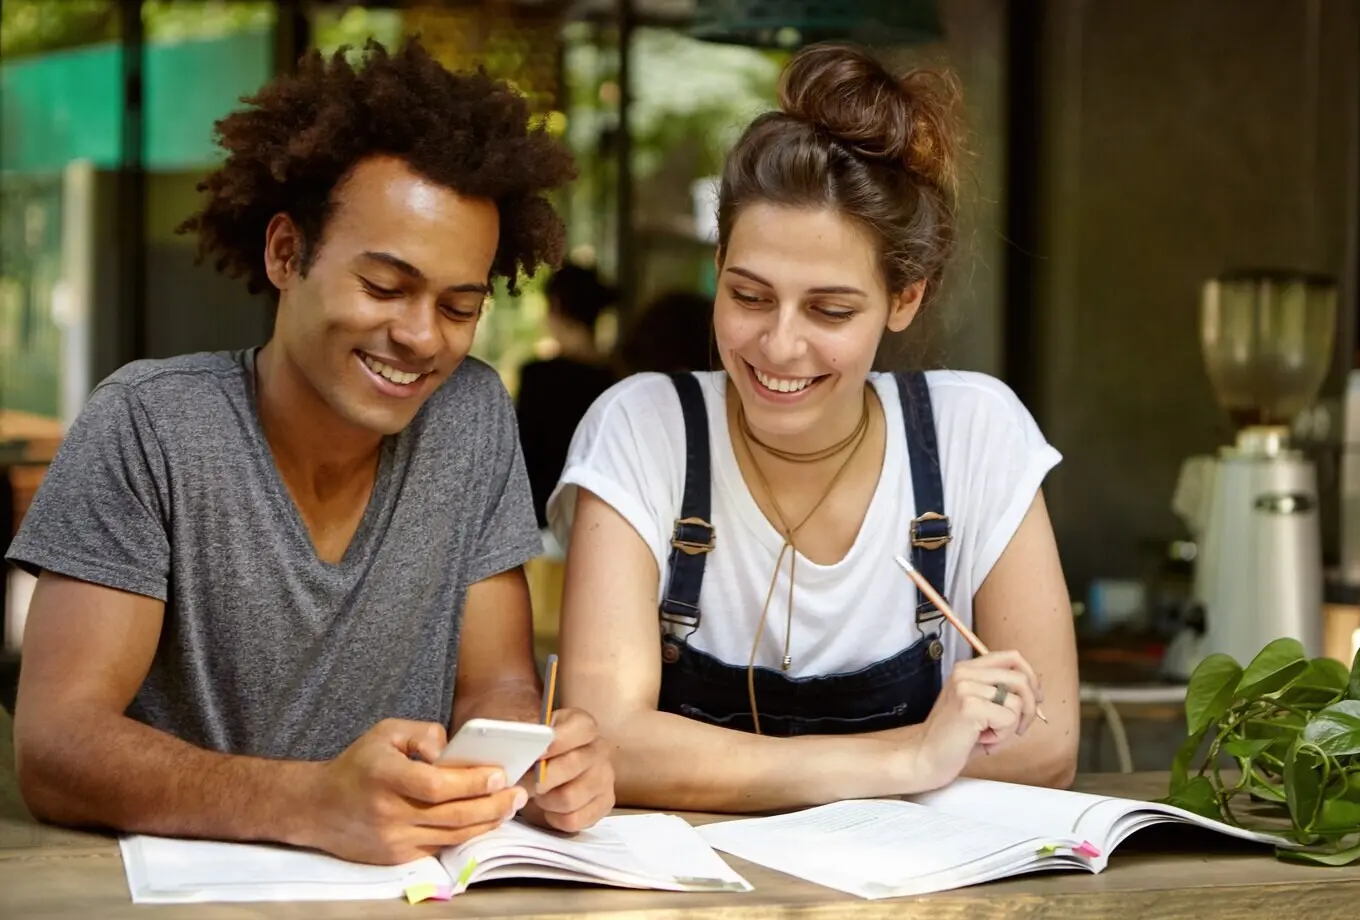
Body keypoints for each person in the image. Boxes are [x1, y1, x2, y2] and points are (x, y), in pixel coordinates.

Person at [7, 38, 614, 865]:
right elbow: (56, 747)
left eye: (459, 305)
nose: (420, 337)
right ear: (286, 253)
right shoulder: (150, 425)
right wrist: (309, 801)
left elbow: (496, 682)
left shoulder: (471, 416)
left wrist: (530, 752)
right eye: (384, 287)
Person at [548, 42, 1080, 813]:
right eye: (749, 296)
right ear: (720, 261)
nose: (779, 346)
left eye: (830, 310)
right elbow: (605, 741)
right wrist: (913, 757)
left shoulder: (974, 435)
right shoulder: (643, 429)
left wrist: (707, 764)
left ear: (904, 299)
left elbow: (1047, 739)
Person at [515, 264, 618, 529]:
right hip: (600, 526)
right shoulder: (618, 379)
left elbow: (524, 461)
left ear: (555, 306)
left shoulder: (538, 377)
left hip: (544, 527)